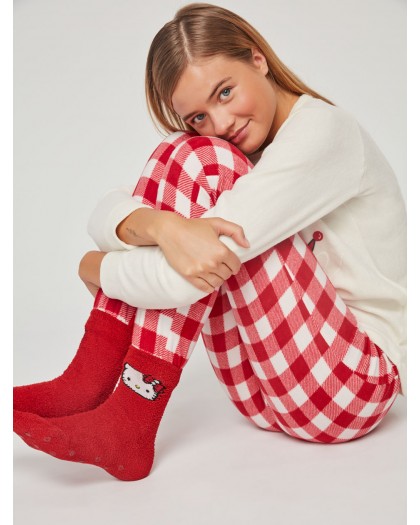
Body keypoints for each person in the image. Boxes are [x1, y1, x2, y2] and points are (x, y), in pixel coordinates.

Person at [14, 3, 406, 482]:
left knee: (204, 162)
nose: (221, 123)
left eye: (225, 91)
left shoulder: (324, 132)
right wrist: (164, 228)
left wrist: (95, 266)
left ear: (258, 59)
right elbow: (111, 208)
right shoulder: (242, 147)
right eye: (199, 115)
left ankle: (126, 407)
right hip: (261, 390)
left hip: (352, 387)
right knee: (181, 151)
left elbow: (182, 280)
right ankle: (91, 379)